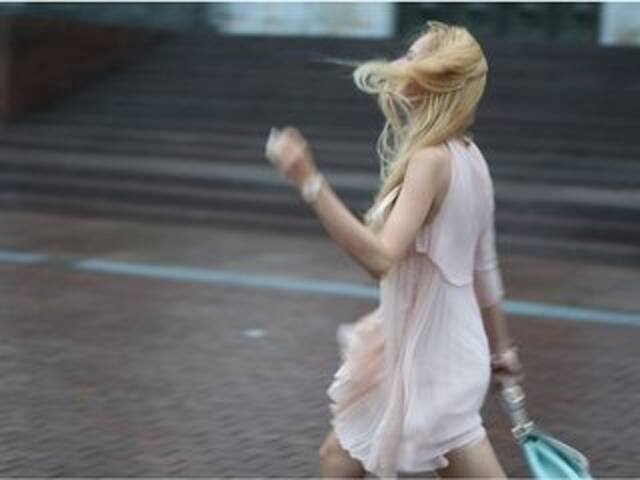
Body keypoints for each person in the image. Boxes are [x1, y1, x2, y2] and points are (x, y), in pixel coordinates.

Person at [265, 19, 524, 479]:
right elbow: (485, 269)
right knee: (337, 455)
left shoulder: (431, 161)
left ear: (435, 78)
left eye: (414, 56)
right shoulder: (471, 157)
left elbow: (380, 259)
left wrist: (308, 180)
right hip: (421, 345)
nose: (400, 62)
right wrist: (501, 348)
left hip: (433, 357)